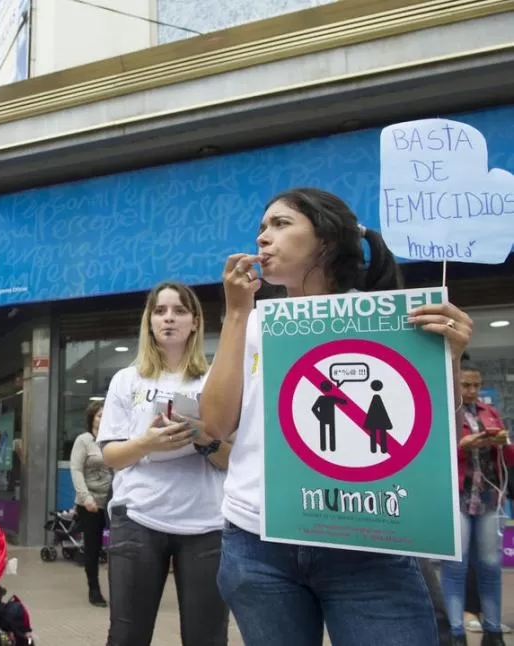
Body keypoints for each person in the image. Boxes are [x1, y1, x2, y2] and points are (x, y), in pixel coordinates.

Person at [201, 187, 473, 646]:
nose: (264, 238)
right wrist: (235, 314)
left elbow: (429, 439)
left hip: (369, 541)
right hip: (258, 542)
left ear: (325, 239)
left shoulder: (393, 322)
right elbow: (214, 426)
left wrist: (449, 360)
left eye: (281, 224)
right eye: (262, 229)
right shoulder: (254, 322)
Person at [98, 282, 232, 646]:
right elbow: (111, 455)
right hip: (138, 518)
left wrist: (202, 438)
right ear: (149, 321)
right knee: (127, 635)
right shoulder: (126, 379)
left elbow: (232, 458)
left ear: (195, 321)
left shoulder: (215, 379)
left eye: (179, 311)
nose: (169, 318)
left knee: (207, 637)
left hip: (207, 524)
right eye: (160, 311)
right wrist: (146, 443)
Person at [440, 362, 512, 646]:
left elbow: (508, 460)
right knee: (455, 567)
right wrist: (461, 448)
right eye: (465, 384)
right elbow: (434, 456)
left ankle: (493, 632)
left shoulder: (491, 413)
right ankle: (455, 633)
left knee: (491, 566)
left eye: (476, 385)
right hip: (457, 498)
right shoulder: (444, 412)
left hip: (490, 499)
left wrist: (504, 443)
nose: (471, 390)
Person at [69, 399, 112, 607]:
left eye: (106, 415)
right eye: (99, 415)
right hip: (91, 503)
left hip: (112, 502)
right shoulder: (84, 440)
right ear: (92, 419)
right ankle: (94, 590)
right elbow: (76, 470)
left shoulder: (114, 439)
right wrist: (86, 498)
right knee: (93, 548)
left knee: (120, 549)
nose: (103, 418)